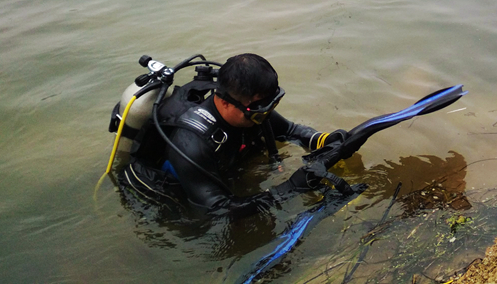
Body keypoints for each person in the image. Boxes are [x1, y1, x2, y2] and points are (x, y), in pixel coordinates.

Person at [120, 53, 349, 219]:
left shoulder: (253, 109)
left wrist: (329, 140)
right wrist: (290, 187)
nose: (266, 114)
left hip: (221, 166)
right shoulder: (190, 144)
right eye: (259, 110)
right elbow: (216, 209)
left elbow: (289, 131)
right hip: (169, 196)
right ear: (225, 100)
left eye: (272, 103)